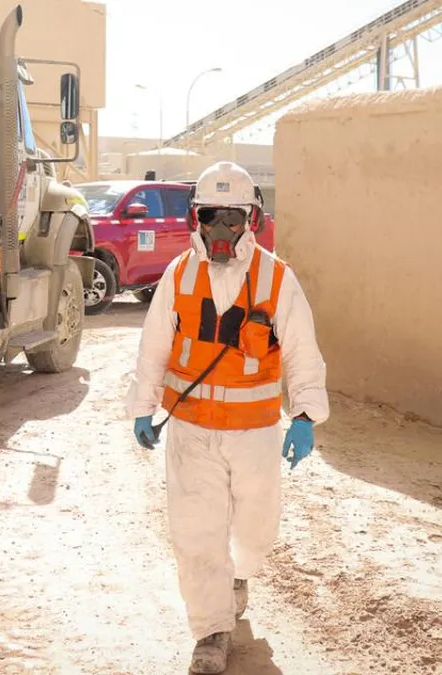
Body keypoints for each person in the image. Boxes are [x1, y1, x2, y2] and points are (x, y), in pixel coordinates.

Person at [124, 161, 329, 674]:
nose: (221, 228)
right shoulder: (179, 274)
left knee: (255, 531)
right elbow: (154, 347)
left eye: (231, 216)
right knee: (196, 533)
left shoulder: (277, 278)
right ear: (197, 217)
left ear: (251, 220)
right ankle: (212, 631)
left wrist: (304, 414)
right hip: (192, 430)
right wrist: (143, 406)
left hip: (255, 432)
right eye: (211, 215)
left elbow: (303, 350)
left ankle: (238, 574)